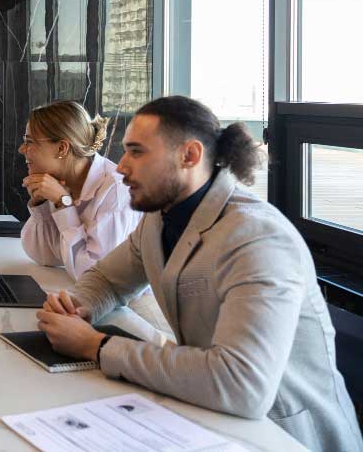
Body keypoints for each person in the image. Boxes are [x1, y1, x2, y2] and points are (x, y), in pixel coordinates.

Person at [35, 96, 362, 452]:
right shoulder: (159, 218)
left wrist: (95, 345)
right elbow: (107, 280)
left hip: (283, 436)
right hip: (210, 417)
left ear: (189, 156)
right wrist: (75, 306)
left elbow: (241, 384)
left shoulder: (258, 239)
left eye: (137, 152)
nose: (121, 167)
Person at [19, 100, 169, 335]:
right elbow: (43, 256)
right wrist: (41, 205)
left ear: (62, 148)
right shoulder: (62, 182)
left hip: (137, 307)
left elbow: (93, 273)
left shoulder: (115, 190)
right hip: (93, 300)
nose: (22, 150)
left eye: (29, 142)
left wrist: (63, 205)